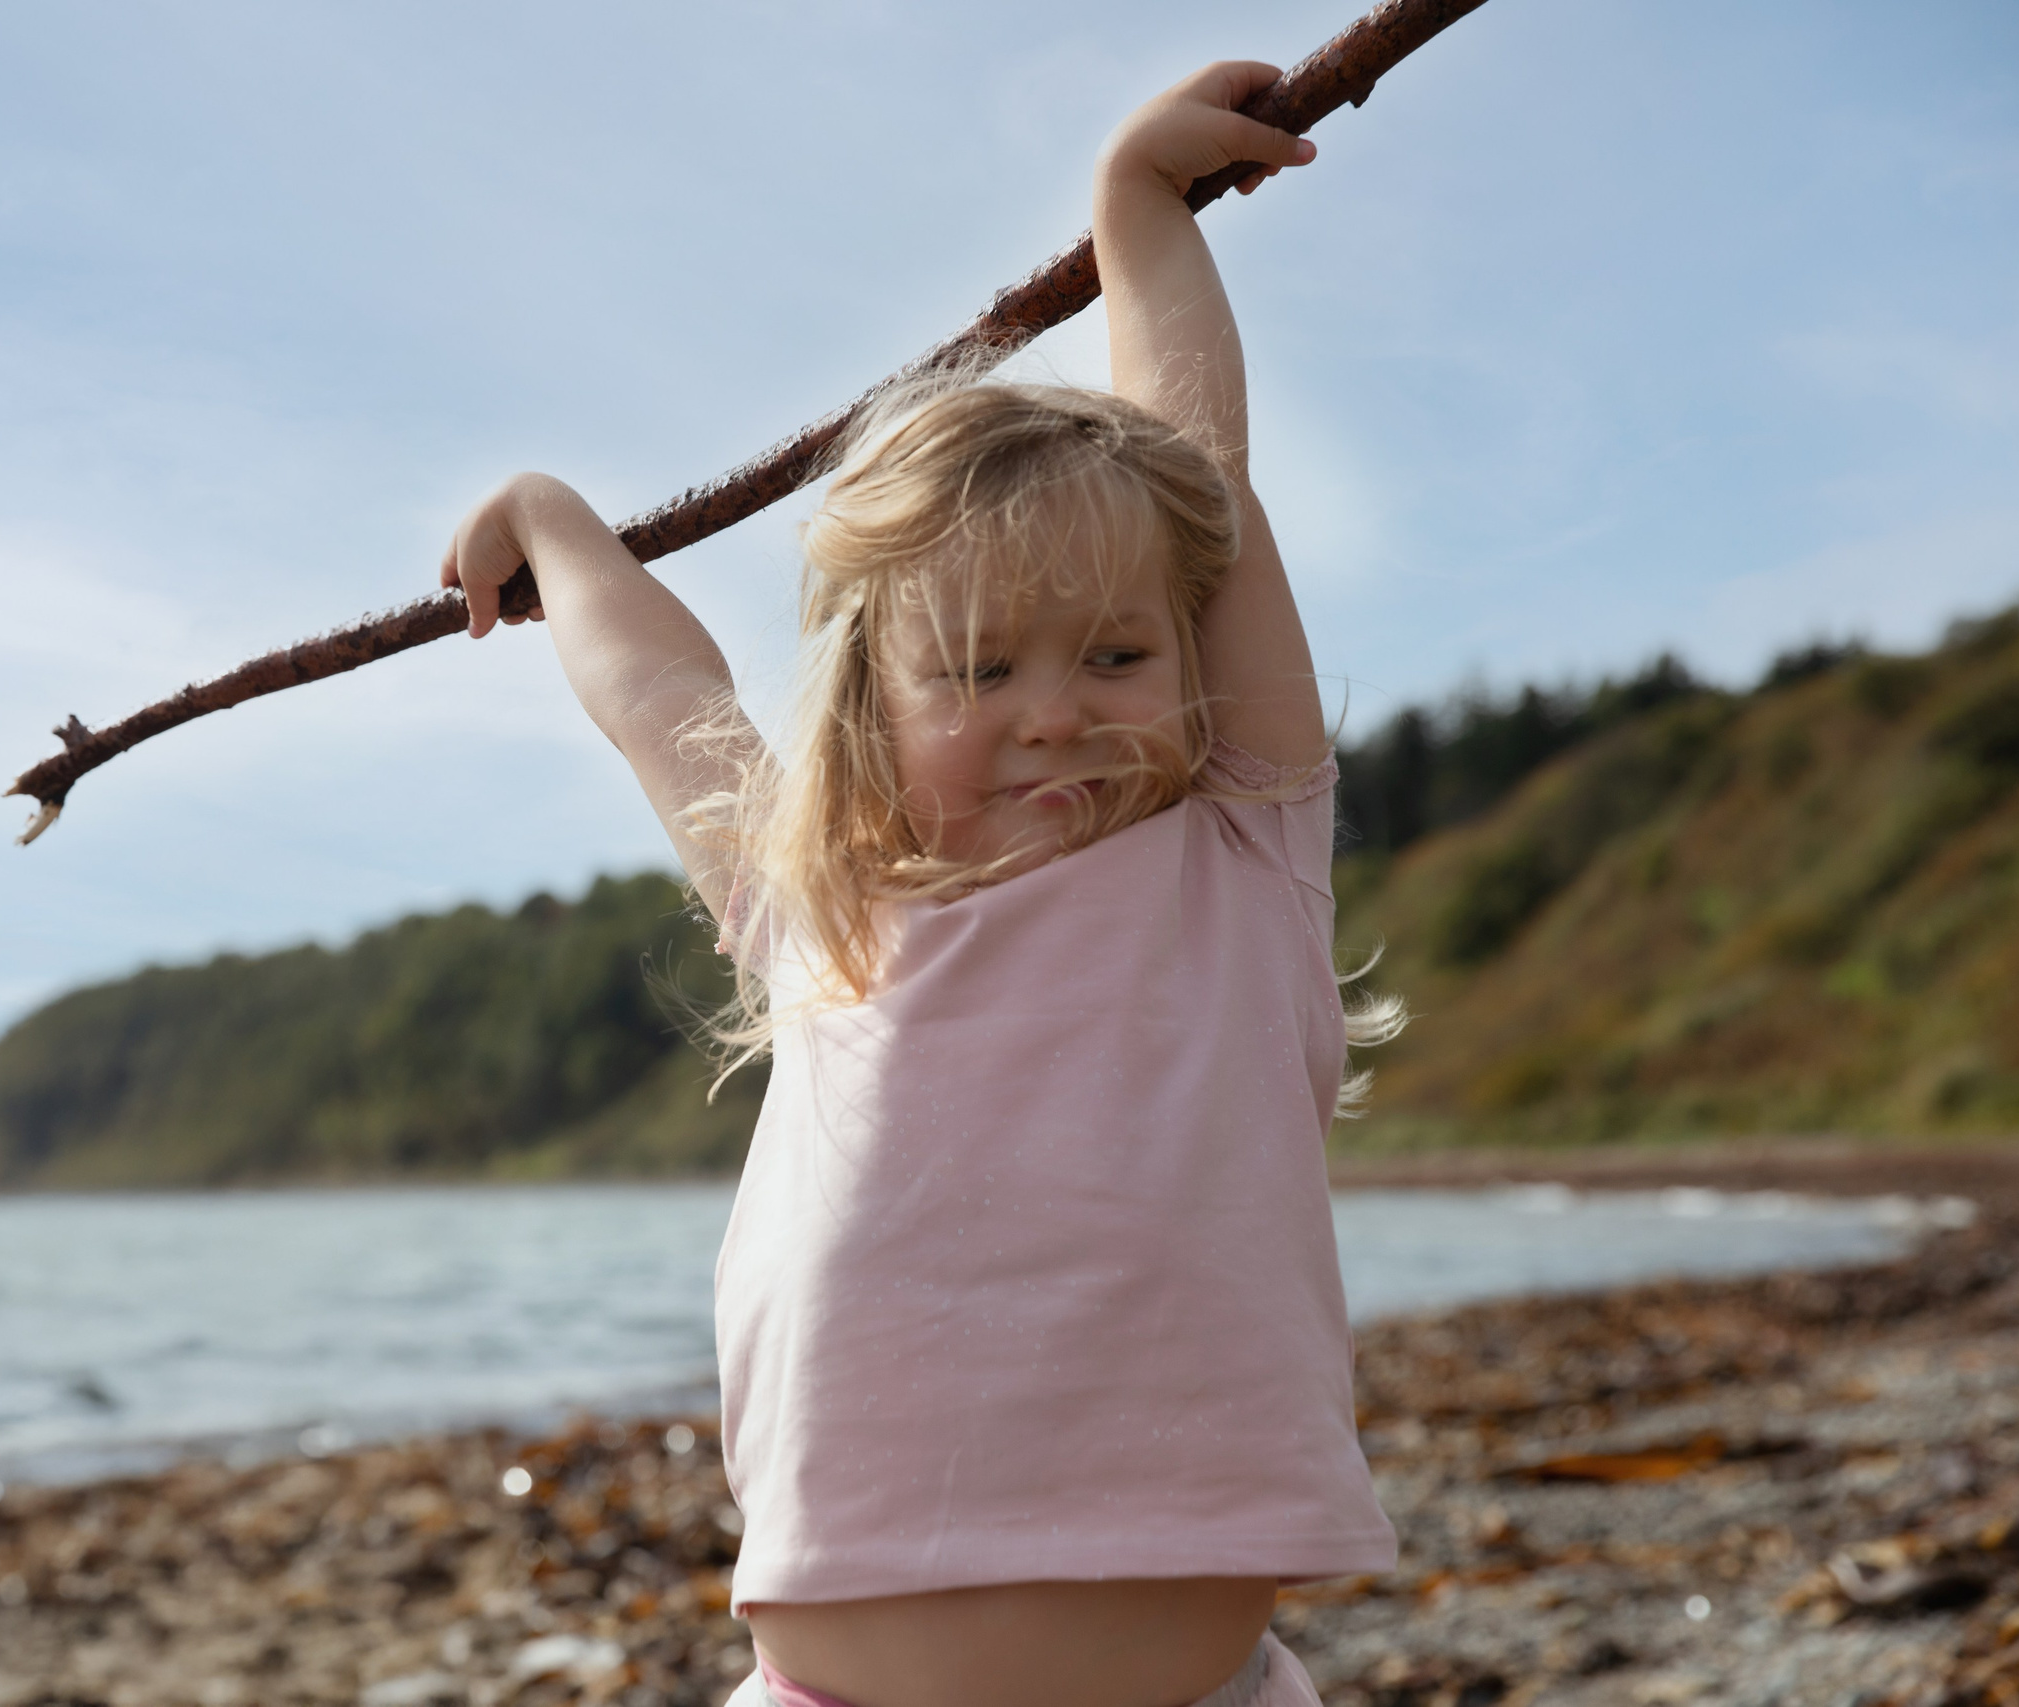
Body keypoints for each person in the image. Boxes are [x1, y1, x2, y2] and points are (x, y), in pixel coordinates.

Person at [440, 57, 1399, 1707]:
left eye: (1114, 652)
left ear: (1187, 651)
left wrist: (1138, 211)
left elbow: (1201, 479)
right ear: (876, 707)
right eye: (974, 670)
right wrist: (554, 523)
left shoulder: (1235, 859)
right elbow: (665, 705)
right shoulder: (825, 910)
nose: (1054, 711)